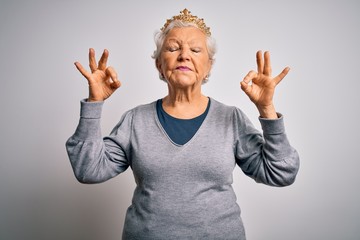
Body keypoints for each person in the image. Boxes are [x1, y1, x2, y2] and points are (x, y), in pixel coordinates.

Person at [66, 8, 300, 240]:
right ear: (159, 64)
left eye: (196, 50)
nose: (184, 55)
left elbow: (280, 173)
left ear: (208, 66)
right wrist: (94, 103)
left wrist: (266, 109)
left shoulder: (231, 119)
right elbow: (88, 170)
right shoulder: (135, 120)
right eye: (173, 48)